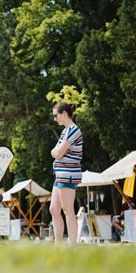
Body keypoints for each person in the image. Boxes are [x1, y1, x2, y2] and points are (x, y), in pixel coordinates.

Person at [49, 102, 83, 245]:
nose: (55, 119)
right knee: (54, 209)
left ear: (64, 114)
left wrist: (56, 152)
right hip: (60, 174)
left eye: (56, 115)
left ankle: (72, 245)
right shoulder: (65, 131)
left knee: (67, 210)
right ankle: (58, 245)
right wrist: (56, 152)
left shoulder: (74, 130)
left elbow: (58, 152)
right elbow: (56, 152)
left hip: (68, 173)